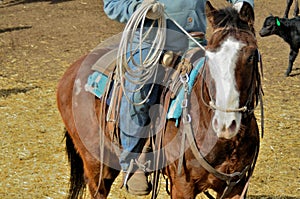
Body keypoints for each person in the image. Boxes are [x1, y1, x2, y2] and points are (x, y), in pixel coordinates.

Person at [102, 0, 254, 196]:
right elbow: (113, 5)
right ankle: (132, 161)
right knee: (139, 87)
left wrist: (242, 4)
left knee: (229, 79)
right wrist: (139, 9)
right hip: (150, 40)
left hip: (195, 40)